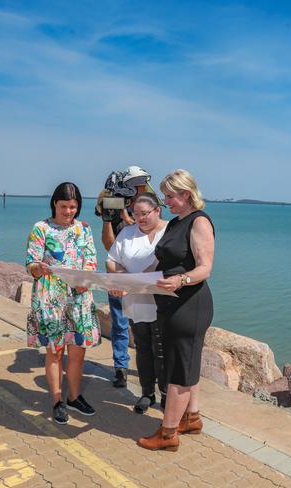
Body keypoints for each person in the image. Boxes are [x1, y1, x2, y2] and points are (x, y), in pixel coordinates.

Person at [137, 170, 215, 452]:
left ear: (186, 194)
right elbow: (159, 264)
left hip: (189, 305)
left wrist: (181, 280)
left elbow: (205, 268)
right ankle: (191, 418)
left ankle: (168, 434)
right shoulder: (174, 224)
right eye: (165, 195)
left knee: (180, 371)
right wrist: (128, 281)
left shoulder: (199, 222)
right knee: (186, 364)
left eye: (170, 196)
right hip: (170, 305)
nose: (165, 201)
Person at [26, 182, 100, 425]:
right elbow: (31, 264)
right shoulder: (41, 228)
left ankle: (75, 397)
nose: (69, 212)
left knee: (78, 353)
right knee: (55, 352)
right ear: (54, 205)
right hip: (51, 298)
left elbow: (90, 259)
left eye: (73, 207)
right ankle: (58, 400)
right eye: (64, 206)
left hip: (79, 297)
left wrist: (86, 280)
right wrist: (39, 267)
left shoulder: (84, 229)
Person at [106, 193, 168, 413]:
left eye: (145, 214)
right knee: (143, 348)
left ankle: (167, 396)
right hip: (137, 301)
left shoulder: (170, 231)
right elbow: (111, 261)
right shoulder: (127, 233)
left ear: (157, 211)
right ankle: (147, 393)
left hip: (164, 302)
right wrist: (123, 277)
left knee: (162, 350)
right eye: (135, 214)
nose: (140, 218)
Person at [97, 166, 157, 388]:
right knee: (120, 325)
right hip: (118, 275)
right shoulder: (115, 204)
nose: (142, 187)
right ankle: (120, 368)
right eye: (139, 184)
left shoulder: (149, 208)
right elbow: (109, 245)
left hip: (143, 278)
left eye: (143, 184)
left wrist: (131, 218)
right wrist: (108, 218)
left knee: (147, 326)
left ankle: (150, 370)